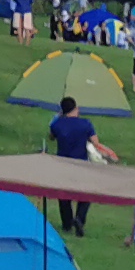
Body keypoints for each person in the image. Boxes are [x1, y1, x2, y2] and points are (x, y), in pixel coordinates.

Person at [47, 95, 98, 235]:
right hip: (81, 163)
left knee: (64, 195)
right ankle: (80, 218)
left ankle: (67, 223)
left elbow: (51, 137)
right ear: (76, 108)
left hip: (62, 163)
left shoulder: (57, 124)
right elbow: (95, 142)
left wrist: (57, 118)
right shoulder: (85, 124)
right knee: (85, 193)